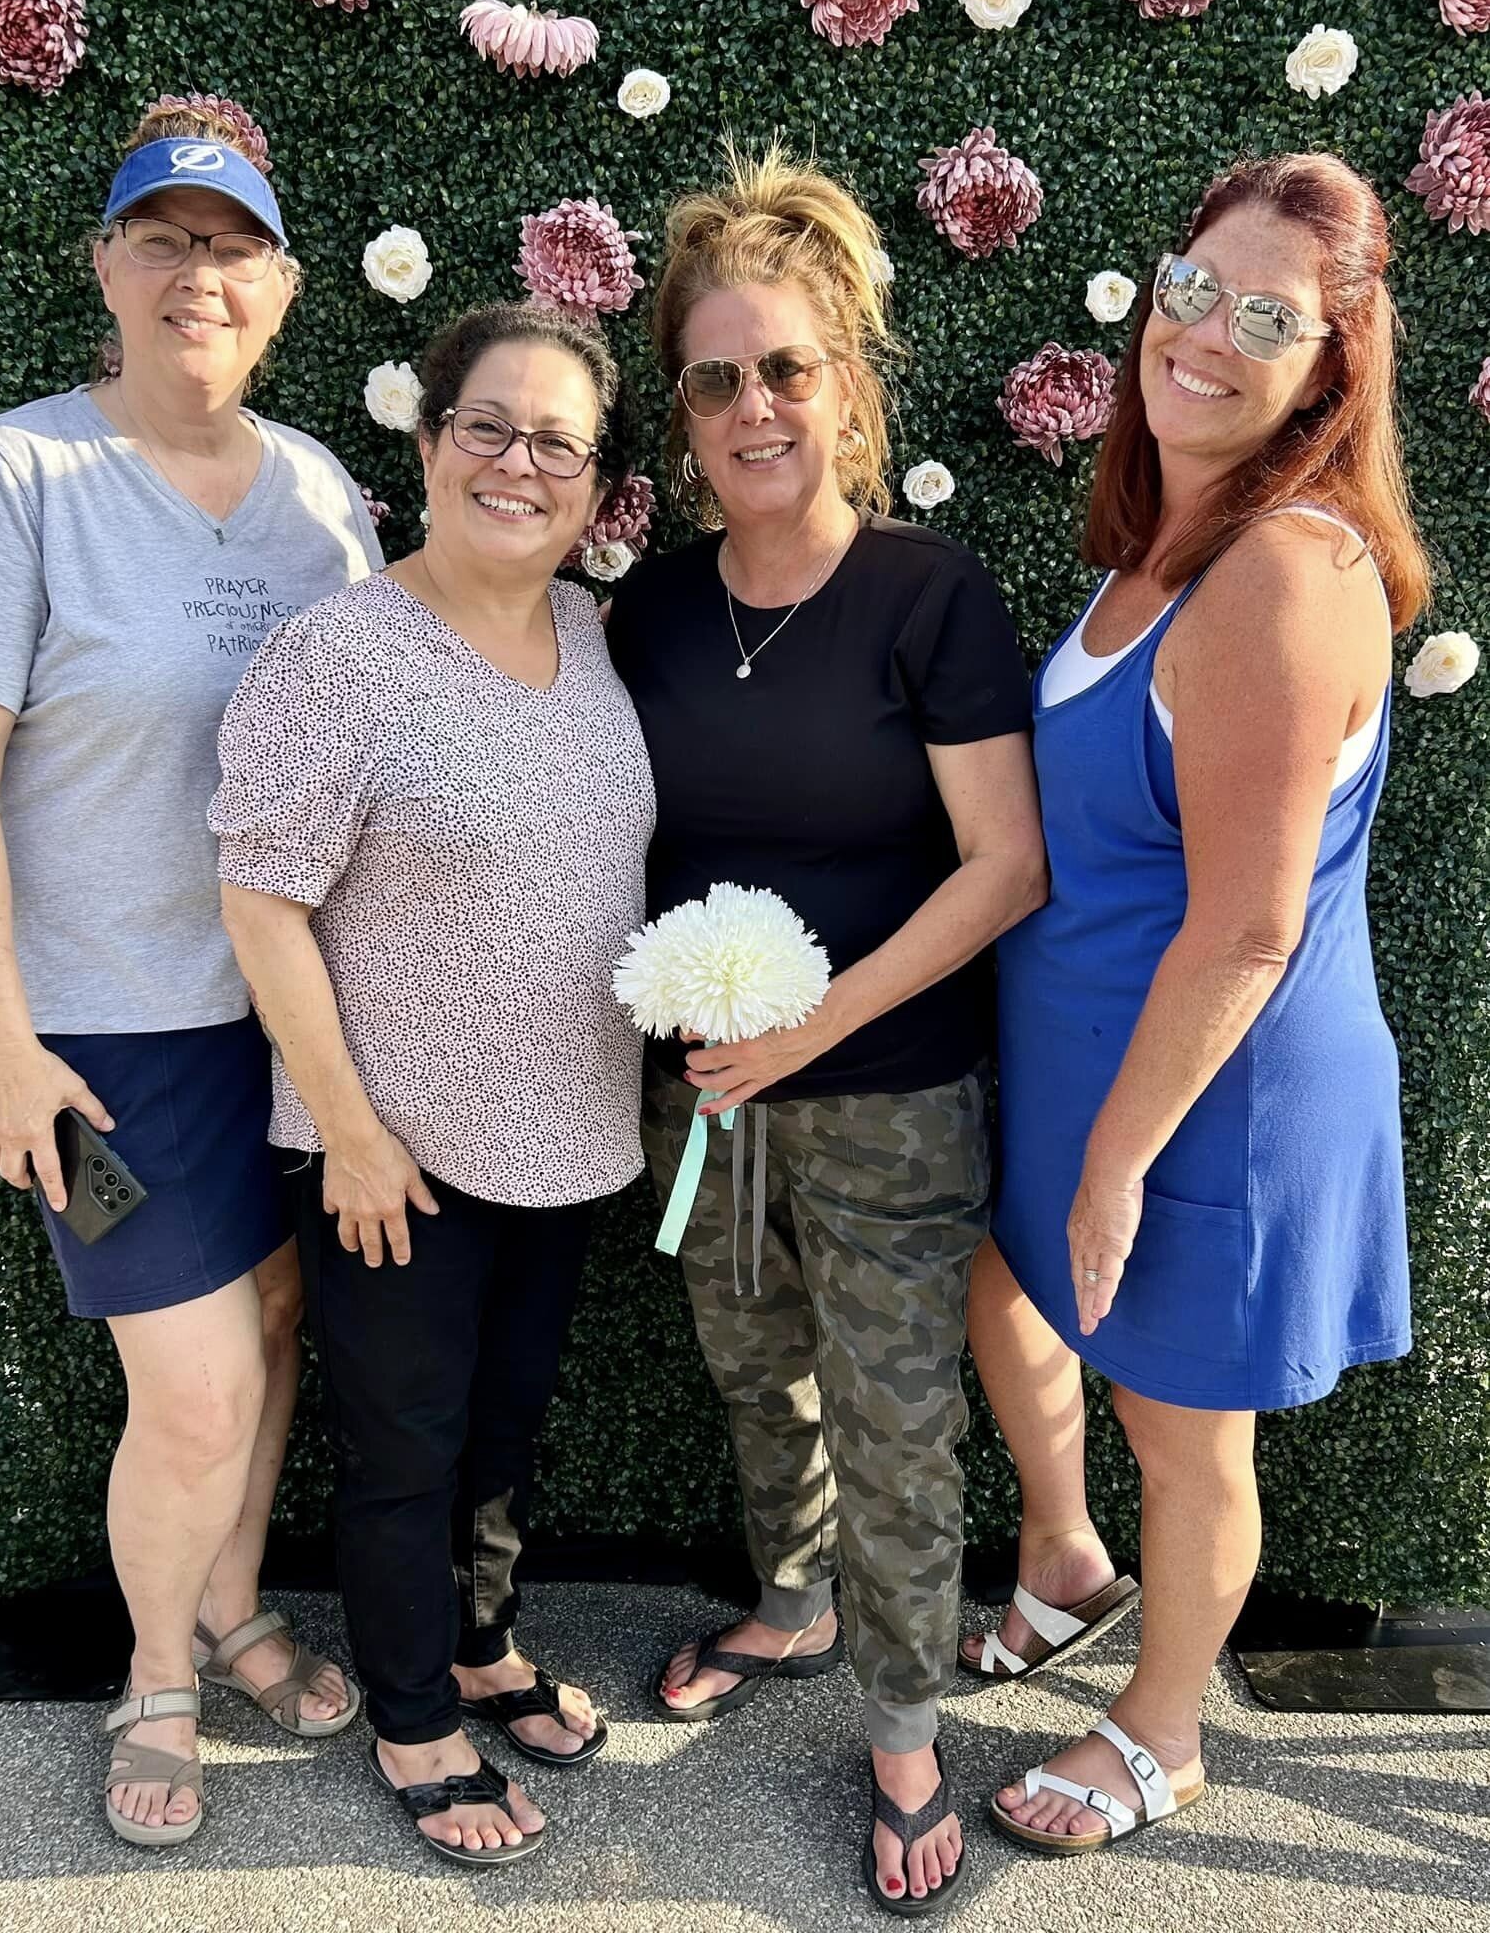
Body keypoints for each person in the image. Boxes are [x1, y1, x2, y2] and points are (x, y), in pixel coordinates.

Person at [604, 143, 1047, 1915]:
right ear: (687, 414)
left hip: (886, 1096)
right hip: (703, 1099)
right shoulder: (642, 611)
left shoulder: (928, 597)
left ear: (846, 382)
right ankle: (793, 1610)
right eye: (714, 377)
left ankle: (908, 1731)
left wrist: (810, 1030)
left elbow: (1003, 868)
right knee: (746, 1364)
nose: (750, 404)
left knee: (892, 1407)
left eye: (785, 365)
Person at [968, 153, 1429, 1855]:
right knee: (1000, 1293)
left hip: (1202, 1095)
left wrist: (1114, 1162)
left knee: (1184, 1429)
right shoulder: (1160, 549)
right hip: (1091, 1064)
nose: (1210, 336)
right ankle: (1066, 1561)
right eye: (1194, 287)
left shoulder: (1287, 578)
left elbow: (1244, 934)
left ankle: (1168, 1730)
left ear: (1331, 364)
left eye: (1271, 318)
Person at [0, 105, 376, 1847]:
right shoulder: (14, 472)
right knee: (193, 1384)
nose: (198, 274)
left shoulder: (323, 498)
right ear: (108, 269)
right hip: (107, 1035)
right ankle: (158, 1671)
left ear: (278, 291)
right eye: (163, 239)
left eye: (232, 247)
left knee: (273, 1331)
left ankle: (233, 1597)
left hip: (291, 1018)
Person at [210, 303, 655, 1868]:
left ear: (595, 490)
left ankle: (482, 1647)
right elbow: (260, 898)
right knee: (404, 1447)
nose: (516, 463)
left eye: (557, 442)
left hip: (565, 1135)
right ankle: (414, 1719)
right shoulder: (340, 653)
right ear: (427, 444)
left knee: (504, 1430)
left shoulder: (597, 637)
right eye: (489, 426)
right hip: (390, 1147)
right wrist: (346, 1130)